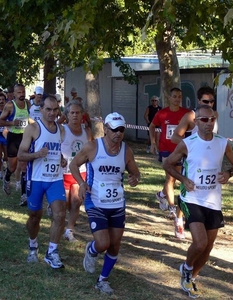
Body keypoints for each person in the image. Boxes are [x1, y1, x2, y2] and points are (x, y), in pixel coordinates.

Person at [163, 105, 233, 298]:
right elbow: (167, 164)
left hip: (213, 200)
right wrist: (183, 179)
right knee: (200, 243)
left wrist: (229, 173)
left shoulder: (223, 143)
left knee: (208, 247)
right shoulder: (188, 144)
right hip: (191, 199)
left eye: (212, 119)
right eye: (204, 120)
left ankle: (191, 277)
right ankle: (187, 267)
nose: (209, 123)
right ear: (196, 122)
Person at [69, 112, 140, 296]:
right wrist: (82, 183)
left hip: (117, 203)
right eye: (114, 129)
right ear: (106, 129)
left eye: (121, 130)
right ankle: (92, 250)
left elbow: (135, 173)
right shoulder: (93, 147)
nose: (118, 133)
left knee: (115, 244)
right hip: (96, 201)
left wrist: (134, 179)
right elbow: (73, 165)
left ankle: (103, 280)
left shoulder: (126, 150)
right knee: (102, 243)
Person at [17, 95, 67, 269]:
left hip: (55, 179)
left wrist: (62, 160)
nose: (52, 113)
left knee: (60, 214)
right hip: (36, 179)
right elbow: (21, 155)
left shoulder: (61, 130)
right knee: (34, 216)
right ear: (41, 109)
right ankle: (33, 245)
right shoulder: (33, 129)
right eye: (48, 109)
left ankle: (52, 252)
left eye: (55, 109)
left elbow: (57, 151)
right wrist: (37, 154)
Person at [170, 86, 219, 240]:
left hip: (208, 161)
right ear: (199, 101)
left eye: (211, 101)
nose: (209, 104)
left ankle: (201, 219)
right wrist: (190, 146)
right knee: (188, 191)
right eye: (205, 101)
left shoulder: (215, 115)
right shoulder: (190, 116)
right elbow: (175, 137)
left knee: (203, 190)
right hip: (191, 161)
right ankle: (179, 219)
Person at [149, 87, 190, 238]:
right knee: (170, 178)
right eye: (174, 96)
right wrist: (153, 143)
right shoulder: (162, 113)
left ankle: (161, 194)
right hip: (166, 150)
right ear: (169, 97)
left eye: (179, 96)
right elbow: (152, 126)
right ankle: (173, 208)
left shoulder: (186, 114)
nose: (177, 99)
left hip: (180, 149)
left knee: (177, 177)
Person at [60, 100, 93, 242]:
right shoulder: (62, 130)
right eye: (72, 113)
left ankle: (69, 229)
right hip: (63, 172)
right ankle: (59, 222)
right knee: (64, 205)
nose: (75, 115)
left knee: (76, 202)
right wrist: (60, 157)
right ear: (67, 115)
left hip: (80, 172)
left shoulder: (87, 132)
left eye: (77, 113)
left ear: (82, 115)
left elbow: (92, 151)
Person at [0, 84, 31, 206]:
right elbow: (0, 121)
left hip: (25, 138)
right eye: (19, 92)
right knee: (12, 167)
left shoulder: (28, 104)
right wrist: (12, 122)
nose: (22, 94)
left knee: (24, 166)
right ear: (14, 94)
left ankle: (23, 195)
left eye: (23, 91)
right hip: (13, 137)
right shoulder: (10, 105)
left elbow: (30, 119)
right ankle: (7, 178)